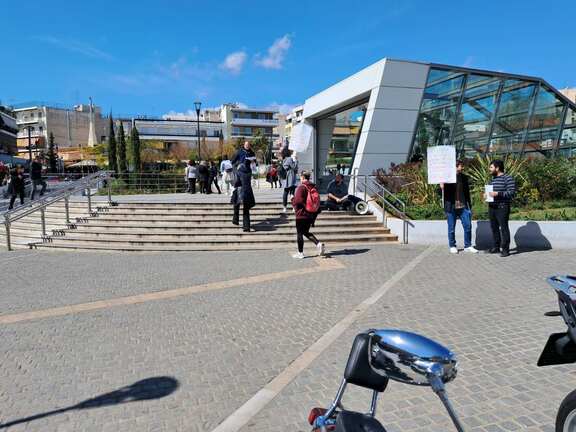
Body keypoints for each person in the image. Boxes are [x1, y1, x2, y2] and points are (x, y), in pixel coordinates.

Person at [440, 160, 478, 254]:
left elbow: (467, 192)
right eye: (460, 166)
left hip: (463, 205)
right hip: (451, 206)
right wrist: (442, 187)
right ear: (455, 167)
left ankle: (468, 246)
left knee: (468, 226)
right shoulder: (447, 178)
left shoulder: (464, 177)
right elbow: (440, 193)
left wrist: (469, 205)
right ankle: (452, 246)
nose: (462, 168)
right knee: (451, 228)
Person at [486, 159, 516, 257]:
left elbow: (511, 192)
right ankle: (496, 247)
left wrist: (498, 193)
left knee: (504, 228)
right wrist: (486, 195)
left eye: (491, 167)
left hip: (502, 207)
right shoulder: (492, 180)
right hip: (492, 207)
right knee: (494, 228)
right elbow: (490, 193)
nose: (489, 169)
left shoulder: (508, 178)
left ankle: (505, 249)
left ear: (497, 168)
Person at [291, 171, 325, 259]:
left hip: (301, 214)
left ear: (302, 177)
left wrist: (292, 199)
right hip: (311, 214)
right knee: (305, 232)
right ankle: (318, 244)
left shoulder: (301, 187)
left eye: (300, 176)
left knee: (299, 233)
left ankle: (300, 253)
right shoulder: (313, 187)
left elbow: (298, 201)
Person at [232, 158, 255, 232]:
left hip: (240, 190)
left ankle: (235, 220)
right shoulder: (249, 171)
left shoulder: (239, 172)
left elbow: (236, 182)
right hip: (248, 191)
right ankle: (246, 227)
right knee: (246, 210)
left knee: (236, 204)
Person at [281, 148, 298, 213]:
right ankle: (293, 207)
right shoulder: (289, 159)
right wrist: (296, 161)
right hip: (291, 178)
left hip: (286, 178)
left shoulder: (284, 159)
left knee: (285, 193)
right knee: (292, 193)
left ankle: (284, 208)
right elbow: (294, 167)